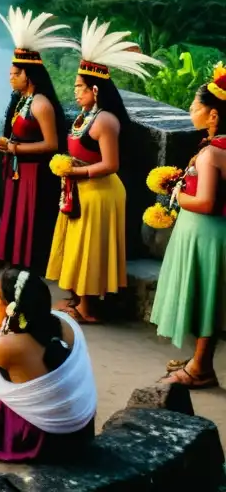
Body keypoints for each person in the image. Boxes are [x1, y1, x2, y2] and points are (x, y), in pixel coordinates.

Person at [46, 18, 160, 323]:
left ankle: (88, 308)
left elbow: (111, 165)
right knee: (76, 246)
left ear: (95, 89)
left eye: (79, 87)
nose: (75, 92)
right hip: (80, 190)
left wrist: (76, 172)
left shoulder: (106, 121)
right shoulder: (87, 116)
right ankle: (76, 298)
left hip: (99, 193)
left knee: (90, 250)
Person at [0, 269, 97, 462]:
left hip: (48, 440)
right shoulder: (67, 322)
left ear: (11, 307)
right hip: (81, 431)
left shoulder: (8, 348)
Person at [149, 64, 226, 389]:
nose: (191, 110)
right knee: (209, 298)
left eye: (196, 106)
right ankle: (200, 361)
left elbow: (206, 201)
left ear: (213, 115)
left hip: (205, 232)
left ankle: (200, 369)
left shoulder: (211, 153)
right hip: (213, 233)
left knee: (205, 299)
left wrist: (179, 193)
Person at [0, 8, 76, 271]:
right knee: (16, 215)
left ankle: (29, 263)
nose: (10, 77)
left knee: (30, 217)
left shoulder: (40, 104)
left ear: (28, 75)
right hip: (19, 169)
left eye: (14, 73)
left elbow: (52, 145)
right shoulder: (22, 101)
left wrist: (14, 147)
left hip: (35, 172)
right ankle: (15, 259)